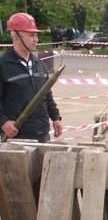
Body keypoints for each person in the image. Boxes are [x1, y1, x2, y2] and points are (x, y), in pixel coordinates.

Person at [0, 12, 63, 142]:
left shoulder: (39, 64)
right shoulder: (3, 65)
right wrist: (3, 122)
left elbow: (46, 94)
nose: (36, 40)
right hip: (16, 137)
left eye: (36, 35)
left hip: (42, 134)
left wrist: (56, 118)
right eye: (31, 35)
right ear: (16, 36)